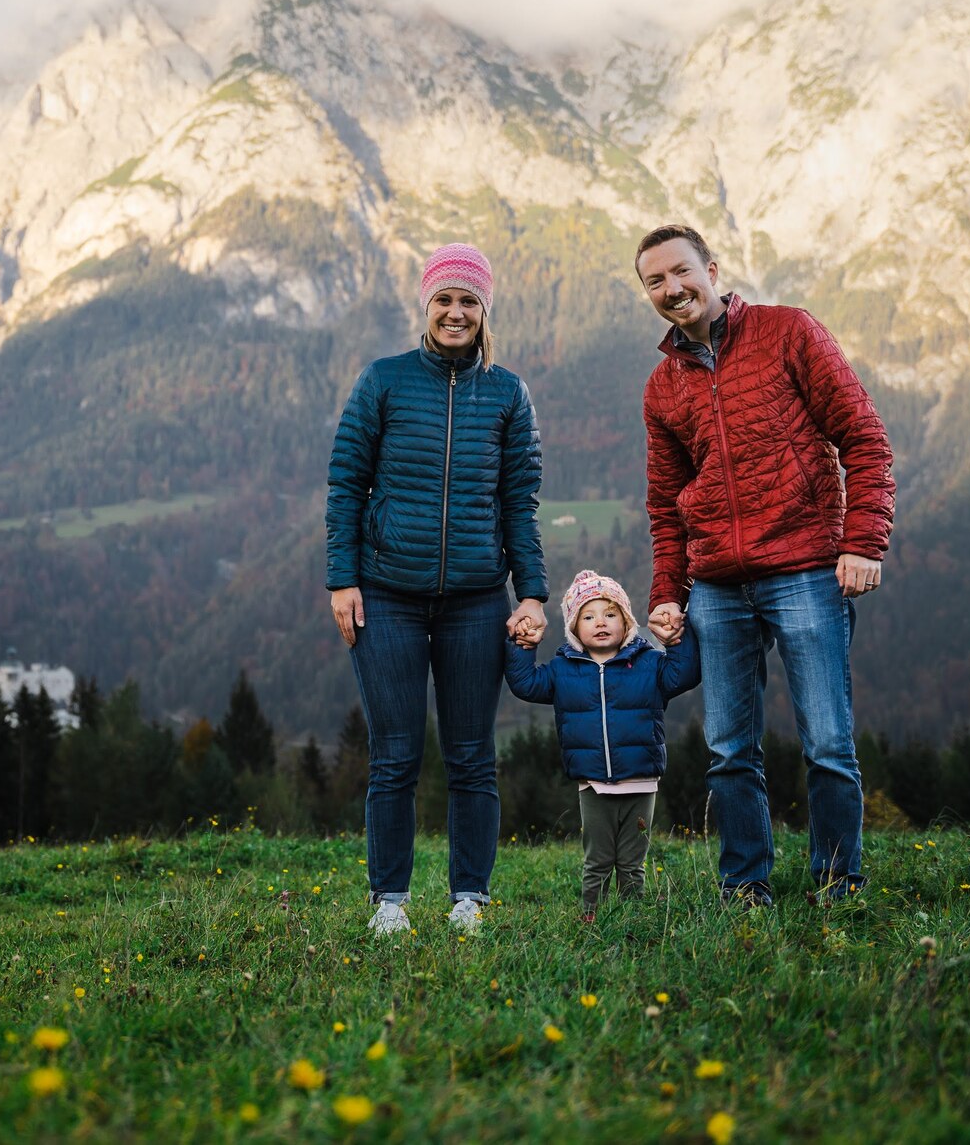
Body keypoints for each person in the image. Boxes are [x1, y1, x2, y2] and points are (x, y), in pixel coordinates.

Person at [634, 223, 895, 906]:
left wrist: (862, 542)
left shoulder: (789, 333)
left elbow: (864, 438)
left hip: (807, 567)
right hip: (717, 585)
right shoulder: (663, 388)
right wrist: (669, 591)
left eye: (680, 272)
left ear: (712, 270)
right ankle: (744, 886)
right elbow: (666, 505)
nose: (671, 288)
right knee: (727, 750)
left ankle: (839, 884)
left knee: (829, 743)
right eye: (654, 281)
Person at [326, 243, 548, 936]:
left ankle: (469, 899)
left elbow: (521, 501)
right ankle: (389, 900)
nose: (456, 312)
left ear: (485, 312)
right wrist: (342, 578)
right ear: (425, 306)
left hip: (478, 600)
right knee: (394, 753)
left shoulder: (507, 392)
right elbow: (345, 482)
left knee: (472, 756)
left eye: (469, 301)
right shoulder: (384, 380)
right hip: (386, 593)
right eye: (444, 300)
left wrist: (533, 593)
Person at [504, 570, 698, 922]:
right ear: (574, 628)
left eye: (611, 614)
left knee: (631, 861)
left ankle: (632, 920)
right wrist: (524, 647)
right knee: (597, 860)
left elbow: (684, 674)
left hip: (641, 781)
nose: (601, 623)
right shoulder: (565, 669)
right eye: (588, 616)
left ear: (627, 622)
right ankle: (591, 918)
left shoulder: (650, 663)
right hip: (592, 783)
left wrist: (676, 641)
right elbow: (526, 684)